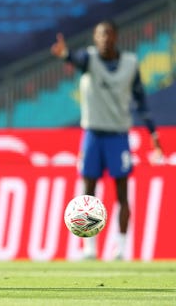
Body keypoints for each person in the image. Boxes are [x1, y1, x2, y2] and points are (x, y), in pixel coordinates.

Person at [51, 20, 163, 260]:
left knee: (122, 193)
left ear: (116, 37)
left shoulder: (130, 64)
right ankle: (89, 248)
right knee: (88, 193)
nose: (104, 39)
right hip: (92, 134)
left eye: (108, 34)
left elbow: (141, 101)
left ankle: (120, 248)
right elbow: (76, 59)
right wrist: (65, 55)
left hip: (118, 136)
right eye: (100, 35)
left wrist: (153, 134)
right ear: (94, 37)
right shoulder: (89, 60)